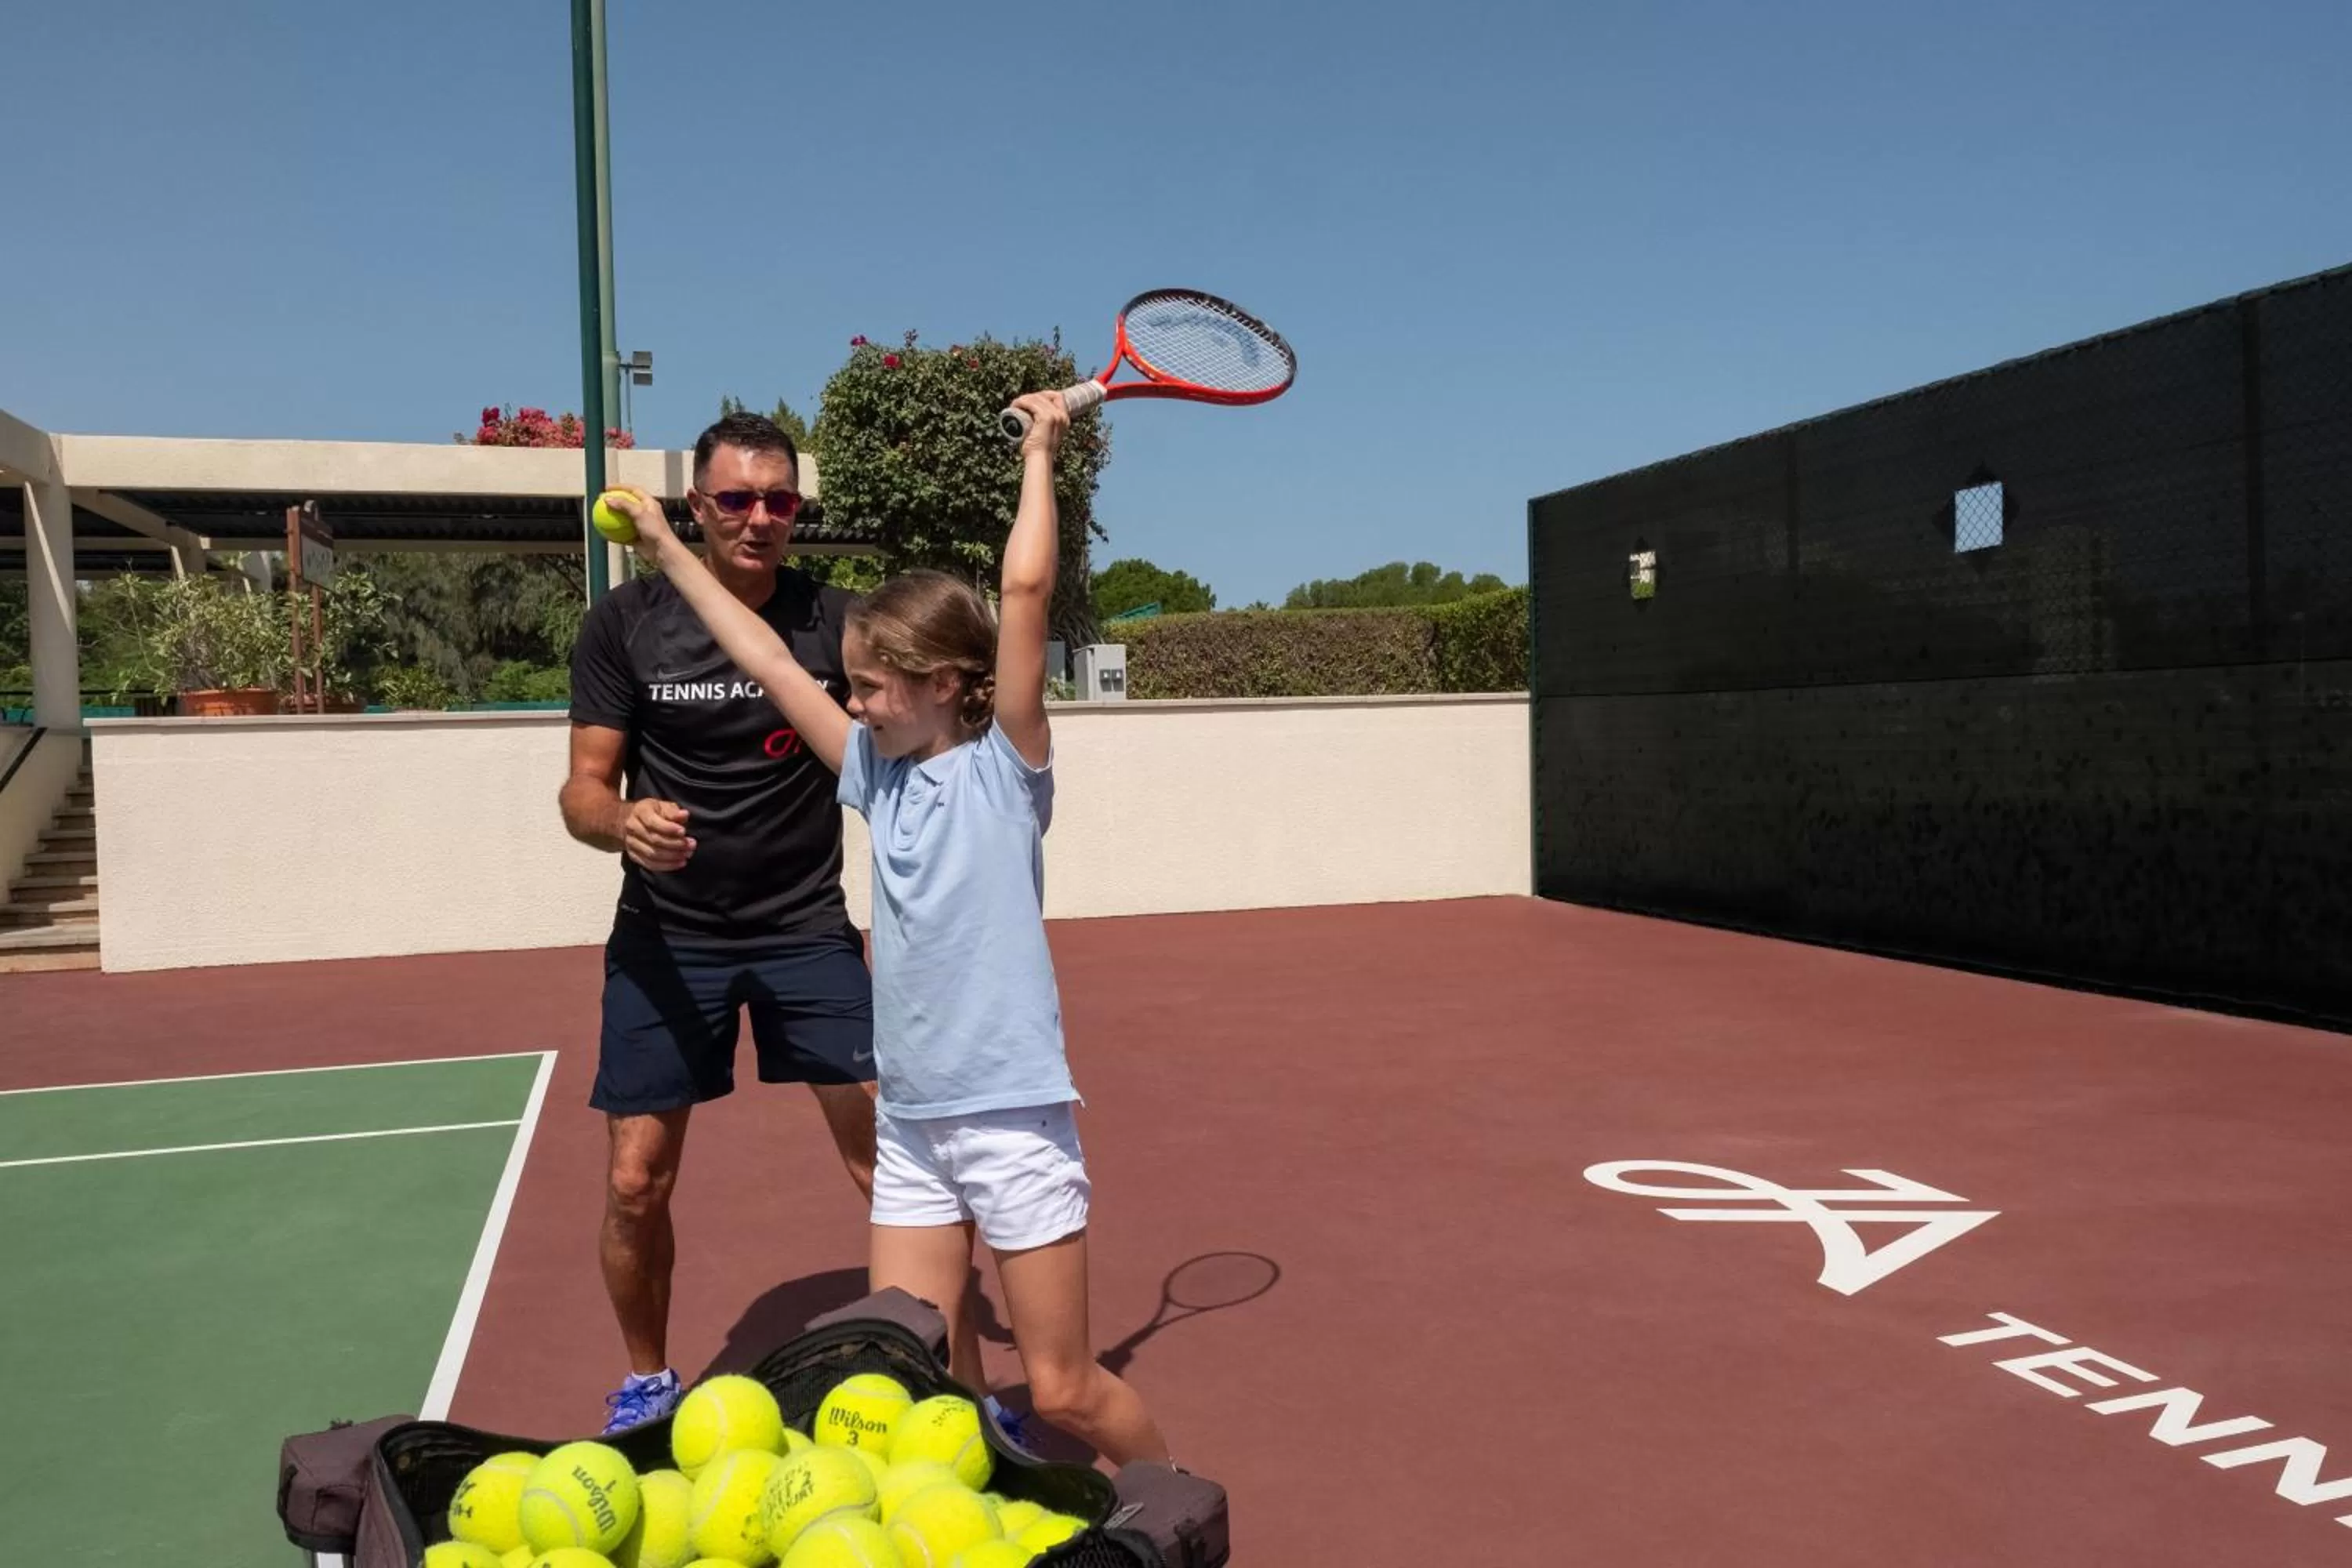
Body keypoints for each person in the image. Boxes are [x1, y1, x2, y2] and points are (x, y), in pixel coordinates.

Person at [599, 390, 1171, 1465]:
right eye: (850, 687)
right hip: (911, 1126)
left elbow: (1025, 587)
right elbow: (768, 661)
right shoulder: (875, 776)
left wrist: (1041, 451)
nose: (852, 704)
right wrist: (671, 553)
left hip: (1010, 1121)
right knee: (917, 1377)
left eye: (871, 687)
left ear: (946, 684)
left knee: (1064, 1392)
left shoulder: (1006, 770)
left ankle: (1183, 1515)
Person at [559, 412, 920, 1434]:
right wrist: (621, 821)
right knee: (636, 1179)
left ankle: (946, 1366)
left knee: (889, 1159)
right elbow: (582, 792)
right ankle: (646, 1379)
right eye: (736, 500)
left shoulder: (837, 621)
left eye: (779, 501)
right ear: (697, 511)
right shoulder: (623, 624)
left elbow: (920, 731)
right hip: (668, 940)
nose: (760, 519)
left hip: (806, 927)